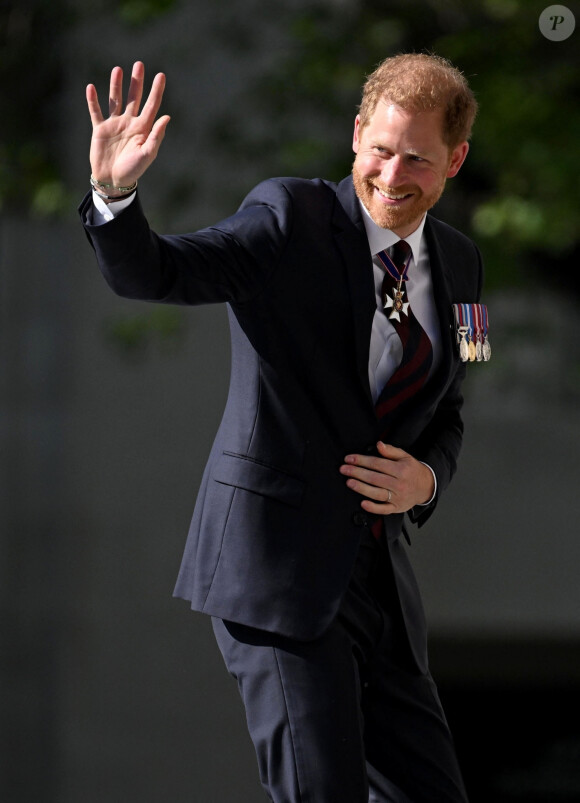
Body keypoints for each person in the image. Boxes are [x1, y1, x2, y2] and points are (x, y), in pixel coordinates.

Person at [80, 52, 483, 803]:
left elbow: (456, 402)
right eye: (380, 150)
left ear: (455, 160)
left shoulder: (464, 267)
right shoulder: (288, 216)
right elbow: (159, 272)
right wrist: (115, 194)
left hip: (381, 592)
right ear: (356, 133)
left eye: (418, 160)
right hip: (279, 571)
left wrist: (426, 479)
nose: (393, 176)